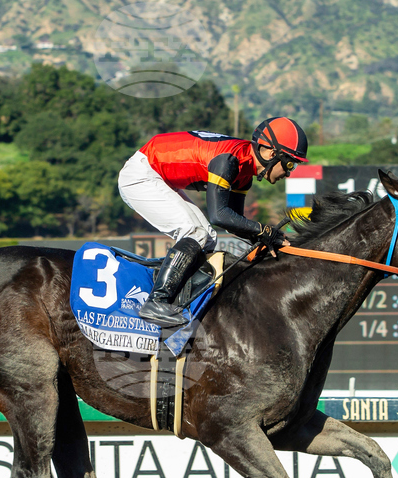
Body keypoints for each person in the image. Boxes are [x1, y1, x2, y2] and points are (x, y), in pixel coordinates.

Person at [118, 117, 309, 328]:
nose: (289, 172)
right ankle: (156, 302)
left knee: (208, 237)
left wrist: (264, 238)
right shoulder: (229, 160)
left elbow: (233, 221)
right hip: (141, 175)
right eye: (289, 163)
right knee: (196, 232)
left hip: (159, 176)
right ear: (271, 153)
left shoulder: (244, 170)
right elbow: (218, 215)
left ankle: (177, 297)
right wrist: (263, 230)